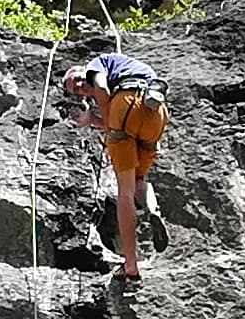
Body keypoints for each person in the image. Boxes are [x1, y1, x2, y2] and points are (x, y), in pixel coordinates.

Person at [58, 46, 170, 283]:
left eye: (76, 80)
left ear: (83, 69)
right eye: (75, 89)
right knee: (140, 181)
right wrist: (93, 120)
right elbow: (119, 125)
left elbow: (101, 88)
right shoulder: (128, 67)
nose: (79, 86)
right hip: (154, 113)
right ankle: (153, 210)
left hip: (127, 101)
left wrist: (102, 118)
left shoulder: (98, 63)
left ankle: (131, 265)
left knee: (125, 194)